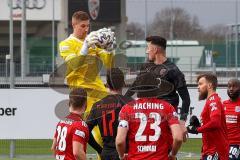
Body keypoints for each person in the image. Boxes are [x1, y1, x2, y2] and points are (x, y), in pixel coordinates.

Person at [58, 11, 114, 151]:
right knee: (90, 135)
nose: (86, 29)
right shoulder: (66, 44)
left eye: (88, 26)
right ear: (73, 25)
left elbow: (110, 65)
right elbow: (73, 65)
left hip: (100, 93)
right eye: (83, 26)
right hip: (82, 94)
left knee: (108, 134)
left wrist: (110, 50)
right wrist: (85, 47)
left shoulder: (93, 42)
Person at [116, 72, 183, 160]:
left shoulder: (127, 108)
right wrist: (173, 154)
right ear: (156, 87)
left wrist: (121, 156)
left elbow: (120, 141)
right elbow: (178, 138)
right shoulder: (168, 107)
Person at [125, 36, 190, 121]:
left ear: (155, 50)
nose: (146, 51)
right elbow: (135, 86)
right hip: (148, 117)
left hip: (166, 119)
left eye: (148, 48)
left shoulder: (173, 70)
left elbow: (186, 99)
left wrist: (182, 121)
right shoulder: (145, 67)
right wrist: (122, 101)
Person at [87, 68, 133, 160]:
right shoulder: (131, 103)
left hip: (107, 154)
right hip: (128, 154)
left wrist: (100, 150)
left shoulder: (97, 105)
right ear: (123, 83)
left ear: (107, 84)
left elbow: (86, 131)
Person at [187, 73, 229, 160]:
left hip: (215, 151)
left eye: (200, 84)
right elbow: (212, 124)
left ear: (209, 85)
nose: (198, 87)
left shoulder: (213, 100)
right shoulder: (211, 100)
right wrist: (200, 126)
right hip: (210, 150)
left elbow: (215, 123)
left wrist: (196, 130)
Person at [51, 88, 89, 160]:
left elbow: (53, 147)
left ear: (69, 103)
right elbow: (77, 152)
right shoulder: (80, 124)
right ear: (86, 104)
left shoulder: (61, 122)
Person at [223, 79, 240, 160]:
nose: (231, 89)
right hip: (223, 143)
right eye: (229, 86)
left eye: (234, 86)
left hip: (237, 144)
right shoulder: (223, 105)